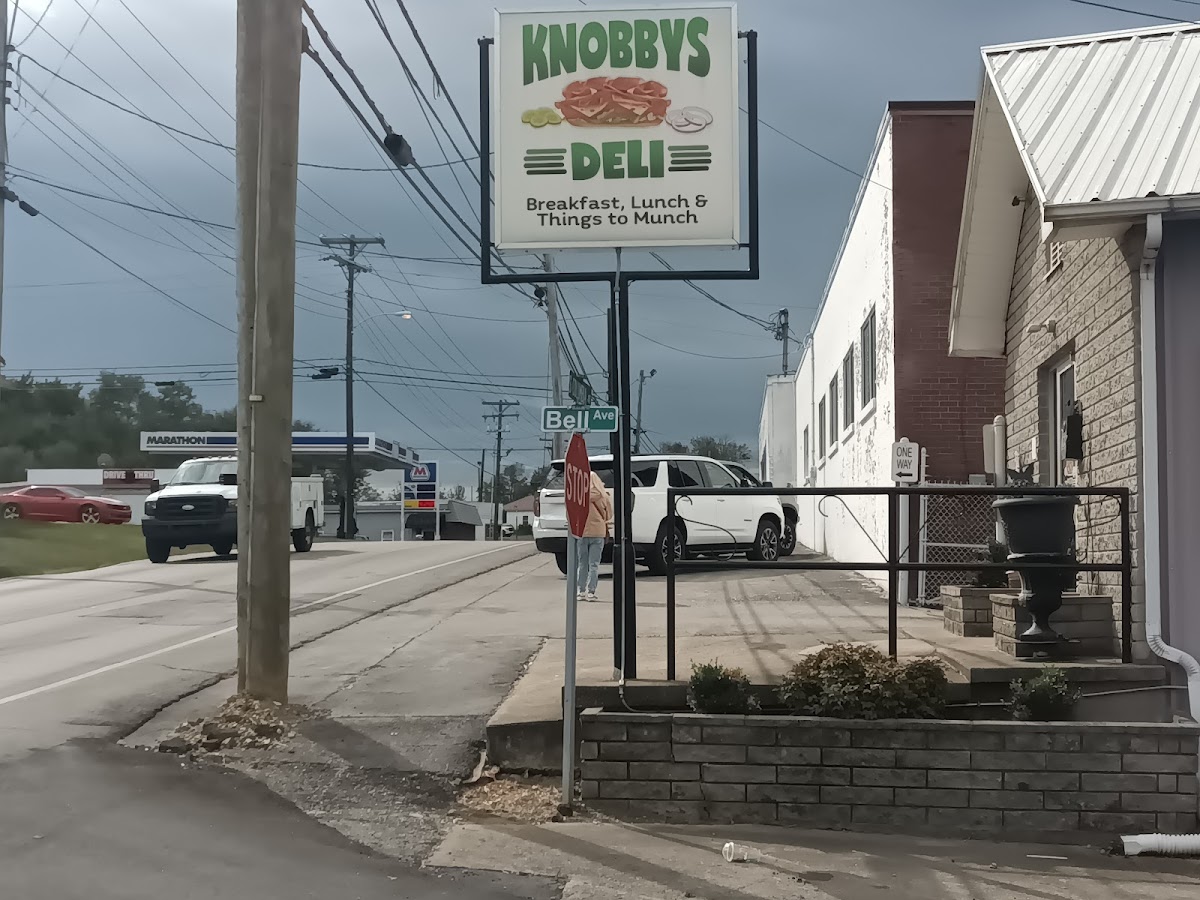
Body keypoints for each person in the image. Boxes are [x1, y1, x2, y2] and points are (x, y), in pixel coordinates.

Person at [577, 470, 612, 602]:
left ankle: (580, 591)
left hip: (582, 532)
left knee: (582, 563)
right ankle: (591, 592)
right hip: (598, 533)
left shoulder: (580, 496)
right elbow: (609, 515)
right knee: (594, 564)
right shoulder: (604, 496)